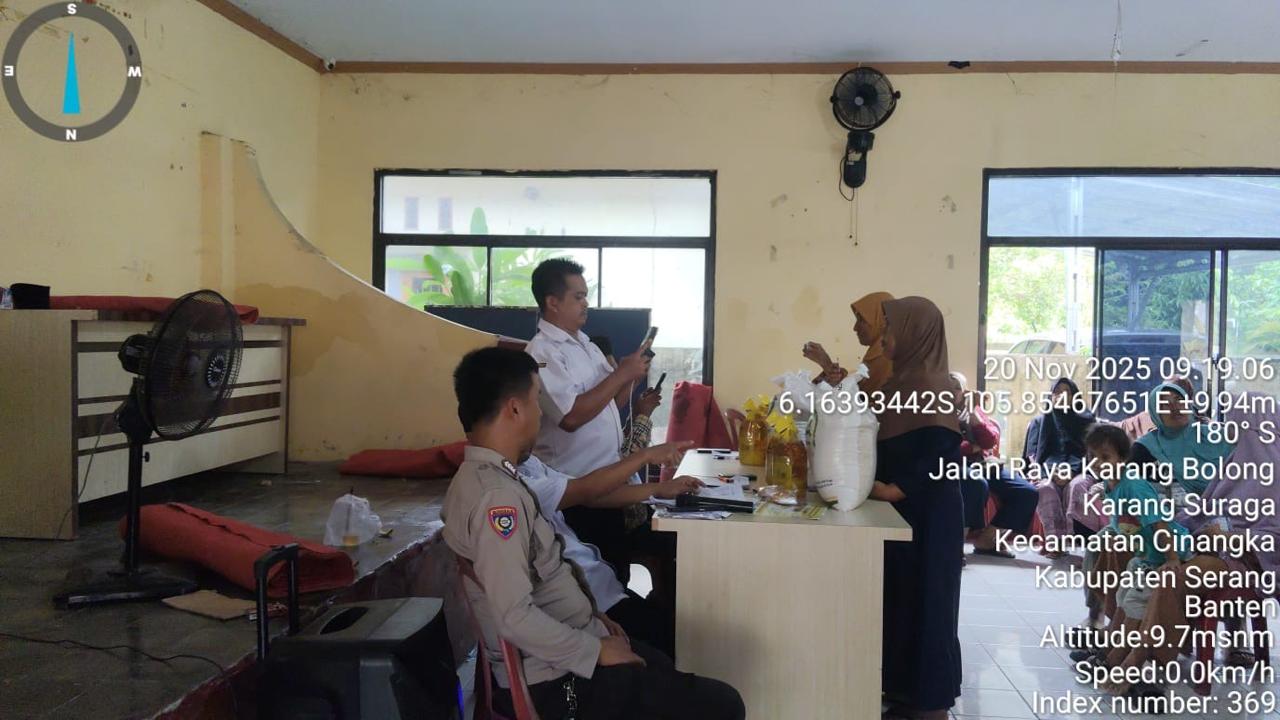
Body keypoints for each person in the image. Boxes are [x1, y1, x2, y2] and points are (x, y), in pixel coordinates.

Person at [442, 347, 745, 720]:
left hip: (571, 647)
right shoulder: (497, 499)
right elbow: (513, 616)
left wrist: (594, 619)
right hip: (558, 684)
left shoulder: (495, 477)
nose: (541, 414)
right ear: (515, 409)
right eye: (537, 401)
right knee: (723, 704)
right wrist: (594, 650)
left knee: (662, 664)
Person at [525, 259, 659, 580]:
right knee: (591, 582)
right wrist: (621, 374)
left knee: (616, 574)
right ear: (552, 302)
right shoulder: (543, 353)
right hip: (575, 492)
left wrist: (631, 374)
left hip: (608, 484)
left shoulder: (586, 346)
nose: (586, 304)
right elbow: (570, 417)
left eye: (586, 296)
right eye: (578, 297)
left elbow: (609, 404)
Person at [867, 296, 964, 720]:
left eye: (890, 328)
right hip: (904, 514)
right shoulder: (899, 383)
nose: (883, 337)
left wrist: (896, 489)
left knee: (929, 602)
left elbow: (945, 455)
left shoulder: (933, 387)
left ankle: (931, 705)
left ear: (914, 332)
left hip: (931, 515)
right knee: (903, 599)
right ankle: (907, 692)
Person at [517, 448, 697, 658]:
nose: (539, 424)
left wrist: (659, 489)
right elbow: (586, 490)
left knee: (679, 628)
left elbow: (594, 495)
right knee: (680, 640)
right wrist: (645, 457)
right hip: (588, 607)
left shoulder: (528, 465)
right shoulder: (511, 486)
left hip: (599, 590)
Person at [950, 371, 1038, 558]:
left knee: (1027, 492)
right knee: (975, 484)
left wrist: (973, 413)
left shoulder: (973, 409)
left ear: (965, 392)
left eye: (957, 388)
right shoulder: (938, 412)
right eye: (948, 387)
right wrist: (973, 447)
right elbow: (948, 448)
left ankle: (987, 540)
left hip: (984, 464)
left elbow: (990, 440)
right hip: (956, 465)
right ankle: (956, 547)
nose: (952, 392)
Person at [1032, 377, 1096, 549]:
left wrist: (1073, 472)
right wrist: (1050, 472)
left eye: (1066, 391)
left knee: (1077, 486)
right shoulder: (1040, 422)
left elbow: (1093, 454)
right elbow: (1033, 455)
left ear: (1074, 396)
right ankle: (1056, 542)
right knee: (1045, 488)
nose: (1061, 395)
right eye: (1057, 391)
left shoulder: (1087, 421)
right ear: (1051, 396)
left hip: (1082, 471)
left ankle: (1076, 537)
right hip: (1048, 472)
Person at [802, 291, 895, 393]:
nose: (855, 328)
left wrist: (827, 365)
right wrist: (833, 373)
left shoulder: (884, 358)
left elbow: (854, 397)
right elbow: (850, 390)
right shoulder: (876, 355)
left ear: (880, 321)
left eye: (861, 320)